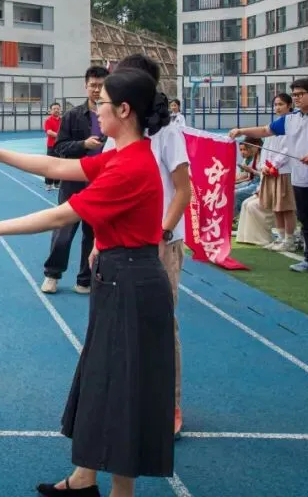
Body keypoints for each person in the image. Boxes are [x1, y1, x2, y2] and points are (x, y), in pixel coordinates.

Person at [0, 67, 175, 497]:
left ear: (124, 110)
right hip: (120, 276)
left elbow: (61, 215)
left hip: (130, 281)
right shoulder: (124, 154)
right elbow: (60, 164)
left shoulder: (131, 166)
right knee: (106, 379)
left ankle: (119, 492)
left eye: (102, 104)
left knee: (121, 386)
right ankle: (84, 479)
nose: (97, 110)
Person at [98, 54, 191, 439]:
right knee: (115, 327)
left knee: (159, 326)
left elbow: (183, 190)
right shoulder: (115, 133)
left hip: (159, 246)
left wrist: (162, 234)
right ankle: (124, 399)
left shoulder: (167, 133)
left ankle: (168, 405)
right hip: (118, 247)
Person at [230, 77, 308, 278]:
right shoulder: (290, 119)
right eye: (294, 94)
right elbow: (265, 130)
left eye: (300, 94)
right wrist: (241, 131)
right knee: (306, 220)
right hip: (299, 178)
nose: (296, 98)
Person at [42, 66, 109, 294]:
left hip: (100, 185)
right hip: (73, 183)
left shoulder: (112, 116)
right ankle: (52, 275)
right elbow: (59, 147)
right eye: (93, 85)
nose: (97, 90)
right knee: (63, 230)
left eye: (101, 85)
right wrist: (83, 145)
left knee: (92, 235)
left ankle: (84, 280)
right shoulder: (72, 115)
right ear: (86, 86)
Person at [259, 94, 298, 252]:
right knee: (276, 207)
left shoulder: (292, 125)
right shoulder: (274, 125)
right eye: (275, 104)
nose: (277, 107)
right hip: (270, 172)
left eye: (281, 104)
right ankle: (281, 238)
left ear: (289, 105)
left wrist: (275, 164)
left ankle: (290, 239)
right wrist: (263, 165)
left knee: (286, 207)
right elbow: (265, 148)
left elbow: (288, 149)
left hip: (284, 171)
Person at [234, 136, 262, 216]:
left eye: (248, 148)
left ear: (257, 146)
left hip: (259, 183)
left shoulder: (261, 157)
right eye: (241, 150)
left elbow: (251, 177)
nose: (248, 150)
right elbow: (249, 177)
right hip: (253, 182)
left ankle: (236, 216)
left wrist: (251, 171)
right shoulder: (253, 157)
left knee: (235, 193)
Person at [43, 102, 63, 191]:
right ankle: (48, 183)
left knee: (59, 165)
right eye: (54, 109)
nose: (56, 110)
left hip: (61, 146)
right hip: (51, 146)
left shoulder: (63, 120)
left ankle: (57, 183)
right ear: (50, 111)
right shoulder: (48, 121)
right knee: (50, 165)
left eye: (58, 109)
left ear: (60, 110)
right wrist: (61, 135)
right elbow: (49, 132)